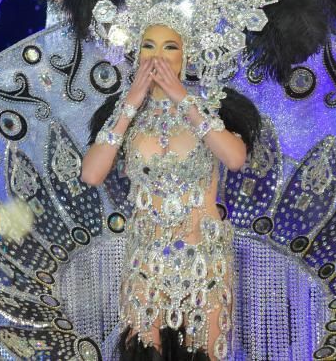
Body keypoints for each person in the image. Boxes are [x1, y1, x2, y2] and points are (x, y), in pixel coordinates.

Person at [81, 22, 261, 360]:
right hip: (146, 262)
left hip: (204, 262)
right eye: (149, 46)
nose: (158, 57)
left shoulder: (211, 110)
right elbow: (91, 174)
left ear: (186, 55)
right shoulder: (126, 116)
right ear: (137, 53)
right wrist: (131, 102)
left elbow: (235, 158)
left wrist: (182, 97)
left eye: (170, 47)